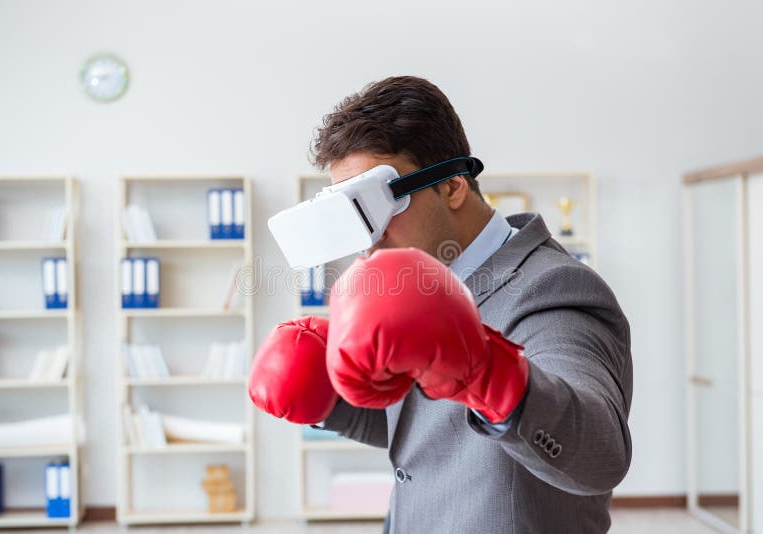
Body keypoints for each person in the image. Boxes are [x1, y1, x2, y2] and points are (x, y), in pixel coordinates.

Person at [249, 76, 633, 533]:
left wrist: (487, 372)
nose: (364, 243)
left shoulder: (554, 289)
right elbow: (435, 432)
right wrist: (332, 401)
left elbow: (600, 455)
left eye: (372, 208)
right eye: (347, 216)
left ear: (451, 186)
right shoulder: (422, 287)